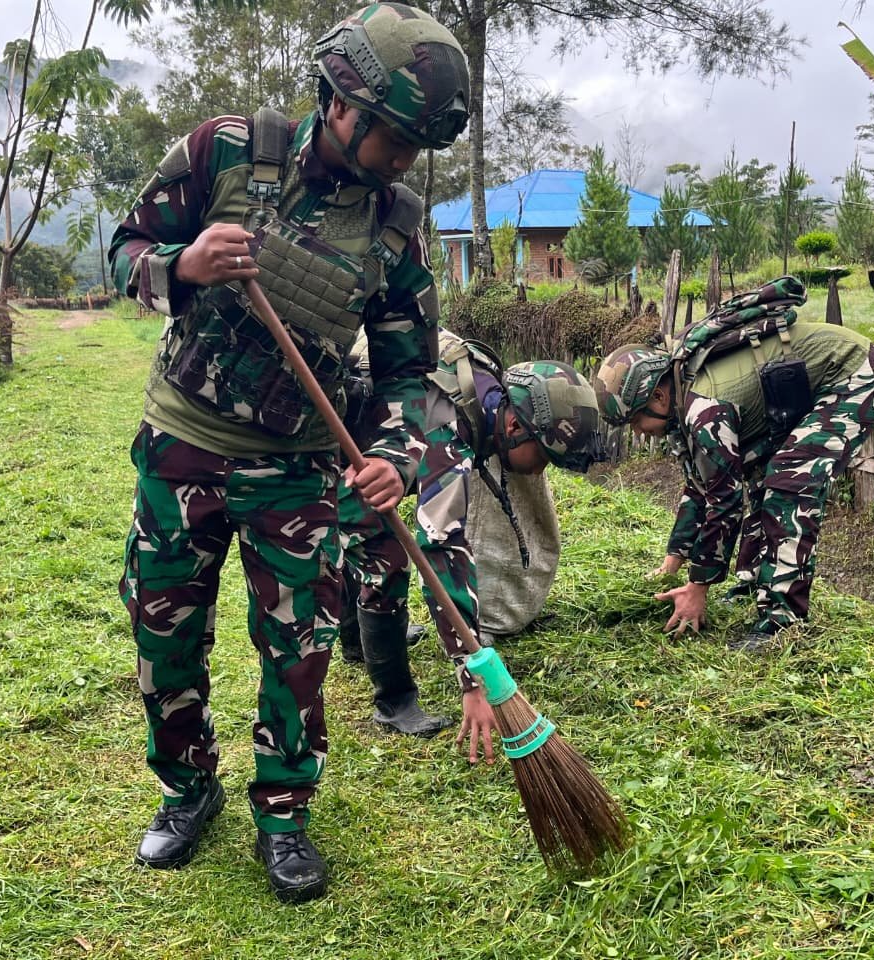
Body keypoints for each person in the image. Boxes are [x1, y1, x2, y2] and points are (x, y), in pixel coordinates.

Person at [108, 2, 481, 903]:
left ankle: (285, 816)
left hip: (299, 469)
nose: (403, 158)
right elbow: (121, 252)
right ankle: (187, 791)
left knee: (298, 651)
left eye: (416, 146)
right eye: (395, 137)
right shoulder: (224, 152)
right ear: (342, 103)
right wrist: (182, 265)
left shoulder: (396, 225)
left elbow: (405, 368)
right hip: (183, 448)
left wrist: (397, 454)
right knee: (167, 635)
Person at [594, 277, 874, 648]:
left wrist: (698, 585)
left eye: (636, 420)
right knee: (758, 478)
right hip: (803, 389)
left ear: (657, 396)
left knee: (788, 483)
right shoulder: (680, 400)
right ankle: (753, 581)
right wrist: (674, 561)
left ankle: (783, 622)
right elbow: (700, 487)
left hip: (851, 373)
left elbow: (725, 503)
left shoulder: (703, 410)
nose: (638, 432)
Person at [336, 329, 602, 735]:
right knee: (383, 556)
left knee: (369, 531)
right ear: (514, 424)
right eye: (543, 456)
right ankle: (394, 703)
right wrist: (472, 680)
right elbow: (442, 549)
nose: (539, 470)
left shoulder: (481, 388)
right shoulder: (450, 426)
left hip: (375, 436)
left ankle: (360, 643)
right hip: (335, 445)